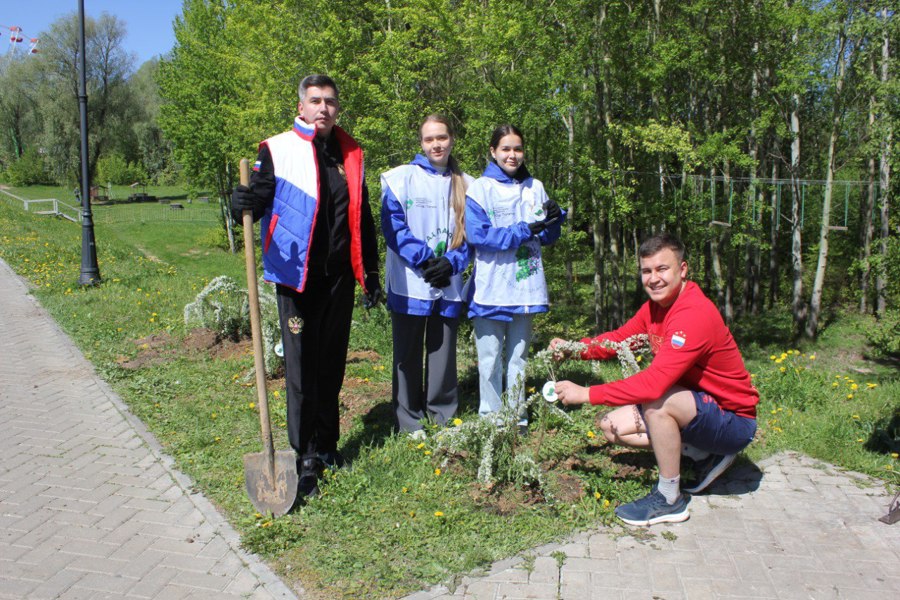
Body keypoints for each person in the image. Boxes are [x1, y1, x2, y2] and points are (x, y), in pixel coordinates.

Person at [231, 74, 382, 499]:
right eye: (314, 101)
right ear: (301, 106)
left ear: (338, 108)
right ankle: (304, 456)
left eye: (330, 101)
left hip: (337, 280)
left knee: (331, 364)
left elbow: (361, 218)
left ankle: (329, 447)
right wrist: (241, 202)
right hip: (296, 278)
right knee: (300, 370)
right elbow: (257, 200)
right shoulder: (277, 149)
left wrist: (368, 273)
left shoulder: (350, 153)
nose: (322, 108)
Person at [551, 233, 758, 526]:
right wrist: (574, 349)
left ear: (682, 269)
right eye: (646, 271)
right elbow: (620, 340)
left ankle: (669, 498)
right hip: (698, 408)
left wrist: (585, 393)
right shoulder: (655, 308)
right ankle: (704, 455)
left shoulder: (693, 313)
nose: (654, 279)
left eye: (663, 269)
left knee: (655, 401)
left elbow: (654, 384)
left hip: (734, 421)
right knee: (612, 428)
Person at [466, 124, 565, 432]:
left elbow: (547, 237)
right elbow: (478, 236)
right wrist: (524, 229)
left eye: (518, 149)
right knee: (490, 359)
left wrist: (554, 219)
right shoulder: (480, 189)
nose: (512, 155)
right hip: (492, 287)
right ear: (493, 152)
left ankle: (517, 418)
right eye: (505, 148)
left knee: (518, 358)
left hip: (526, 286)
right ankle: (492, 420)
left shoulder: (535, 187)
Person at [380, 115, 473, 437]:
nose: (436, 144)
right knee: (406, 354)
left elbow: (473, 234)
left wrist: (451, 262)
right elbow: (393, 226)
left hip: (448, 280)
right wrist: (424, 260)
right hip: (409, 279)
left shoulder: (468, 184)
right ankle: (409, 418)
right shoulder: (399, 179)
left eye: (442, 137)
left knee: (443, 352)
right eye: (429, 139)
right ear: (421, 143)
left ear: (452, 139)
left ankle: (442, 414)